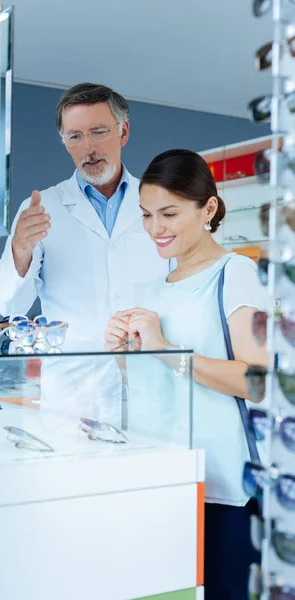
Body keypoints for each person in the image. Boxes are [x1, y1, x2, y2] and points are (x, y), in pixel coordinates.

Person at [104, 149, 269, 600]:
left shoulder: (236, 275)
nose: (156, 228)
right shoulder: (155, 289)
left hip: (223, 489)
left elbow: (259, 382)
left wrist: (164, 349)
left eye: (170, 213)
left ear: (209, 209)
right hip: (164, 479)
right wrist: (124, 355)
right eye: (147, 215)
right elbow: (159, 382)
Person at [0, 82, 165, 348]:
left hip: (150, 370)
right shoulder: (40, 209)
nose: (88, 148)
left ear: (123, 132)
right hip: (77, 382)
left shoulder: (160, 203)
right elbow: (9, 306)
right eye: (75, 136)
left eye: (99, 132)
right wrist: (20, 250)